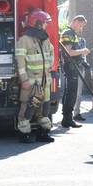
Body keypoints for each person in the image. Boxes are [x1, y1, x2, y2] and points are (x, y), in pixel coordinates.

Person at [16, 10, 55, 144]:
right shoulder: (24, 40)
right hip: (31, 83)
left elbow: (51, 52)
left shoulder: (45, 39)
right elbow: (20, 62)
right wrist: (24, 80)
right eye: (44, 23)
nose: (46, 25)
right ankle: (24, 134)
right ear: (37, 24)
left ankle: (43, 133)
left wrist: (49, 66)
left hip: (45, 82)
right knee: (27, 109)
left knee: (44, 108)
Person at [59, 15, 91, 128]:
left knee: (70, 93)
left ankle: (67, 118)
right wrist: (83, 51)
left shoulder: (72, 34)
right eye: (81, 25)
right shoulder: (68, 33)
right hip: (71, 67)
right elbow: (69, 52)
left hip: (73, 67)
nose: (81, 28)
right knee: (71, 94)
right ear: (76, 21)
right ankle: (67, 119)